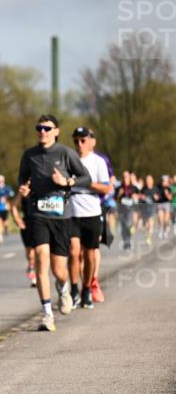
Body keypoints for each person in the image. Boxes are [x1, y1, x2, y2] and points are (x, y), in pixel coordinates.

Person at [18, 114, 91, 332]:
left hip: (61, 217)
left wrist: (67, 182)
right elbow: (22, 179)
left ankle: (64, 287)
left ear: (56, 131)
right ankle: (47, 314)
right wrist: (24, 188)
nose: (42, 132)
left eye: (47, 129)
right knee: (41, 259)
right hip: (38, 214)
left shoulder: (65, 153)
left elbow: (86, 178)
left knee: (59, 269)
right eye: (39, 128)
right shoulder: (29, 155)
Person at [66, 127, 113, 309]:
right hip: (72, 212)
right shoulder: (68, 160)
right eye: (76, 140)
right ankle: (74, 289)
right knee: (73, 251)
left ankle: (87, 289)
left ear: (90, 141)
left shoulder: (98, 161)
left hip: (92, 211)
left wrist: (84, 182)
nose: (79, 144)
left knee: (90, 254)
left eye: (83, 140)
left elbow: (107, 188)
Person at [115, 170, 139, 251]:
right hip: (121, 209)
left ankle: (128, 241)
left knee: (128, 224)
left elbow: (138, 198)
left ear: (129, 177)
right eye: (124, 177)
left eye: (127, 177)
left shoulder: (134, 188)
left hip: (130, 209)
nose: (125, 178)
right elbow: (115, 199)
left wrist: (135, 197)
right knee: (123, 227)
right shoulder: (119, 188)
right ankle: (125, 242)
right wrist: (119, 194)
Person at [0, 174, 15, 244]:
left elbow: (12, 194)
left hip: (4, 208)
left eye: (1, 181)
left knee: (4, 221)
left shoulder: (7, 188)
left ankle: (6, 228)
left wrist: (6, 197)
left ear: (3, 181)